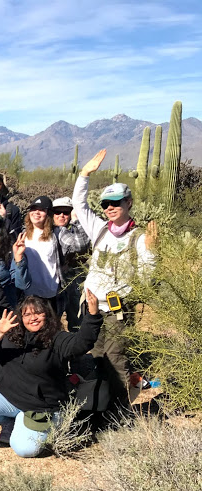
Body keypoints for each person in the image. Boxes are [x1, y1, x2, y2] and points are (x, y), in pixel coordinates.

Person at [0, 291, 102, 457]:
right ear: (21, 317)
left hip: (40, 406)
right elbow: (1, 304)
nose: (33, 318)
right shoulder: (12, 333)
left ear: (47, 315)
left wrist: (93, 315)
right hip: (9, 395)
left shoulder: (57, 339)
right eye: (27, 314)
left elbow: (81, 343)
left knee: (24, 449)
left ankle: (30, 423)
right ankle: (12, 421)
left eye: (38, 313)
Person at [71, 149, 157, 406]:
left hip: (119, 310)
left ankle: (121, 411)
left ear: (128, 203)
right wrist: (84, 174)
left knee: (116, 357)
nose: (110, 208)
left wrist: (152, 252)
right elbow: (79, 204)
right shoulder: (99, 230)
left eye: (116, 203)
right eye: (106, 204)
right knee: (96, 357)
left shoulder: (139, 237)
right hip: (93, 308)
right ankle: (101, 406)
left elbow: (147, 278)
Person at [52, 197, 89, 331]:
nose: (61, 215)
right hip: (61, 282)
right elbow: (80, 245)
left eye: (66, 212)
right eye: (57, 212)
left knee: (73, 318)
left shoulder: (70, 230)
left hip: (70, 280)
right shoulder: (59, 231)